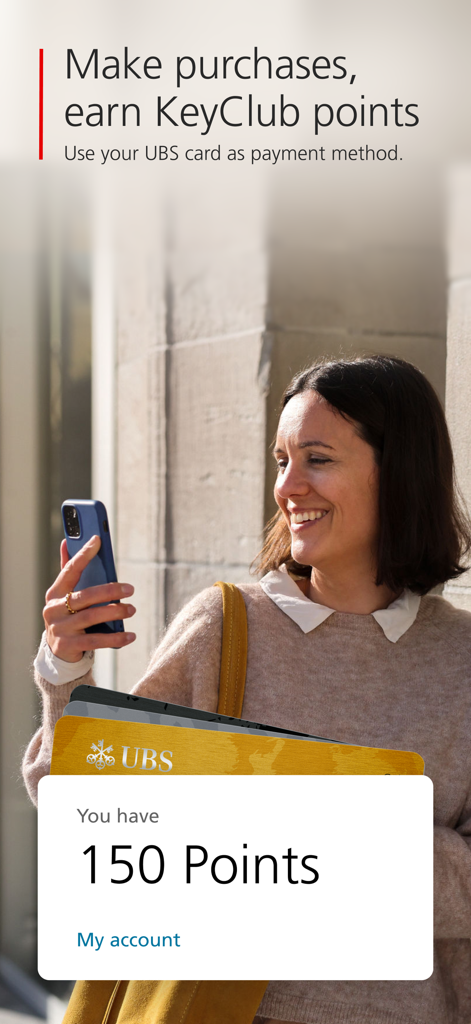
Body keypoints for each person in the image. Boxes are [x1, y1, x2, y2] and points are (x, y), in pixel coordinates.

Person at [23, 355, 471, 1024]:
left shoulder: (460, 658)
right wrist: (64, 670)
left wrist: (309, 836)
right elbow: (85, 809)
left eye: (317, 459)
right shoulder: (227, 627)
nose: (287, 487)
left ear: (399, 471)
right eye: (281, 461)